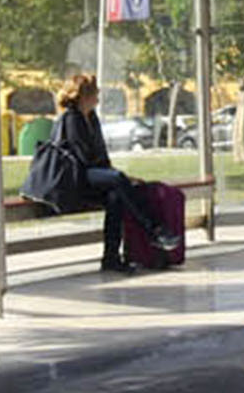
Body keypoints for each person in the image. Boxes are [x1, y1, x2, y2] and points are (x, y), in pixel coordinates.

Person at [50, 73, 180, 274]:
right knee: (117, 181)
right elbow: (83, 160)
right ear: (84, 95)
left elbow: (102, 156)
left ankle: (110, 258)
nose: (98, 96)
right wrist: (116, 177)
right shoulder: (71, 118)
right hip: (74, 178)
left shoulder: (91, 118)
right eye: (95, 92)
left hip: (93, 176)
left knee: (115, 197)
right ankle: (155, 230)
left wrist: (119, 177)